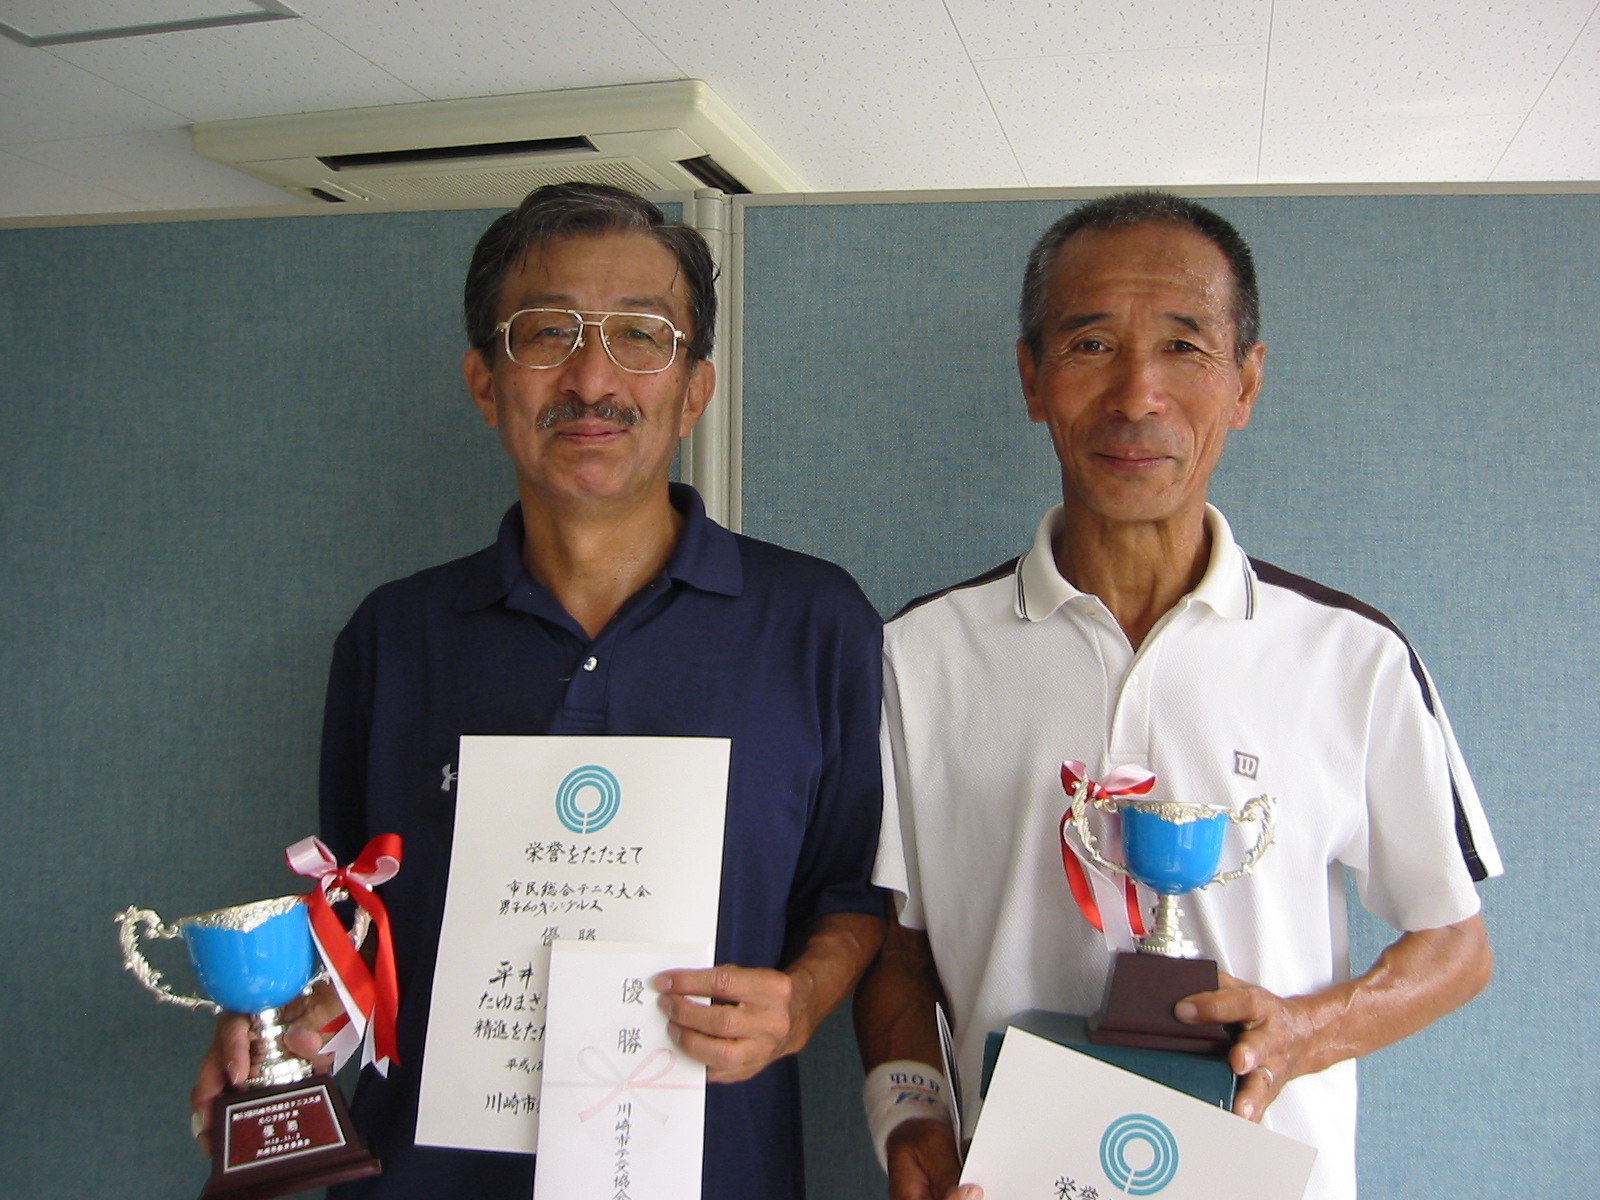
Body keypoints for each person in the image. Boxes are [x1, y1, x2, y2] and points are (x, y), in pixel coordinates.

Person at [192, 182, 886, 1200]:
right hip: (426, 1175)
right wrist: (287, 1026)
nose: (592, 377)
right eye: (546, 333)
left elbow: (852, 894)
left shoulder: (814, 623)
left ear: (694, 391)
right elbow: (356, 922)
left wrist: (801, 1005)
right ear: (485, 383)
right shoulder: (394, 637)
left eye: (640, 336)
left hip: (706, 1166)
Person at [853, 191, 1500, 1200]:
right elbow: (897, 955)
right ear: (1031, 378)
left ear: (1246, 382)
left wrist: (1303, 1031)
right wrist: (915, 1126)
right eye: (1091, 344)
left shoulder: (1352, 657)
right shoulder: (916, 656)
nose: (1137, 394)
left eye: (1185, 348)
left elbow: (1455, 944)